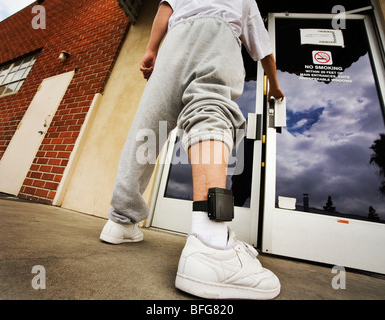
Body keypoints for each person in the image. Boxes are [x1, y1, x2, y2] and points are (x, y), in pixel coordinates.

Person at [100, 0, 284, 300]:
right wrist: (274, 85)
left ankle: (120, 221)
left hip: (174, 41)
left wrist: (151, 49)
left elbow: (165, 10)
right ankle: (210, 242)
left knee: (147, 128)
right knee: (209, 109)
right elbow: (262, 48)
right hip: (216, 34)